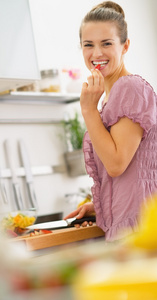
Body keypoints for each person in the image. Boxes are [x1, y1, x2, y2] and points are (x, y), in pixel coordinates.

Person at [64, 1, 157, 242]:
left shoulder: (130, 87)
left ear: (125, 46)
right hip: (133, 225)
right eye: (88, 45)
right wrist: (99, 205)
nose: (96, 54)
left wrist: (88, 110)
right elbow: (131, 176)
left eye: (107, 43)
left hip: (141, 230)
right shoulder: (111, 98)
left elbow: (116, 164)